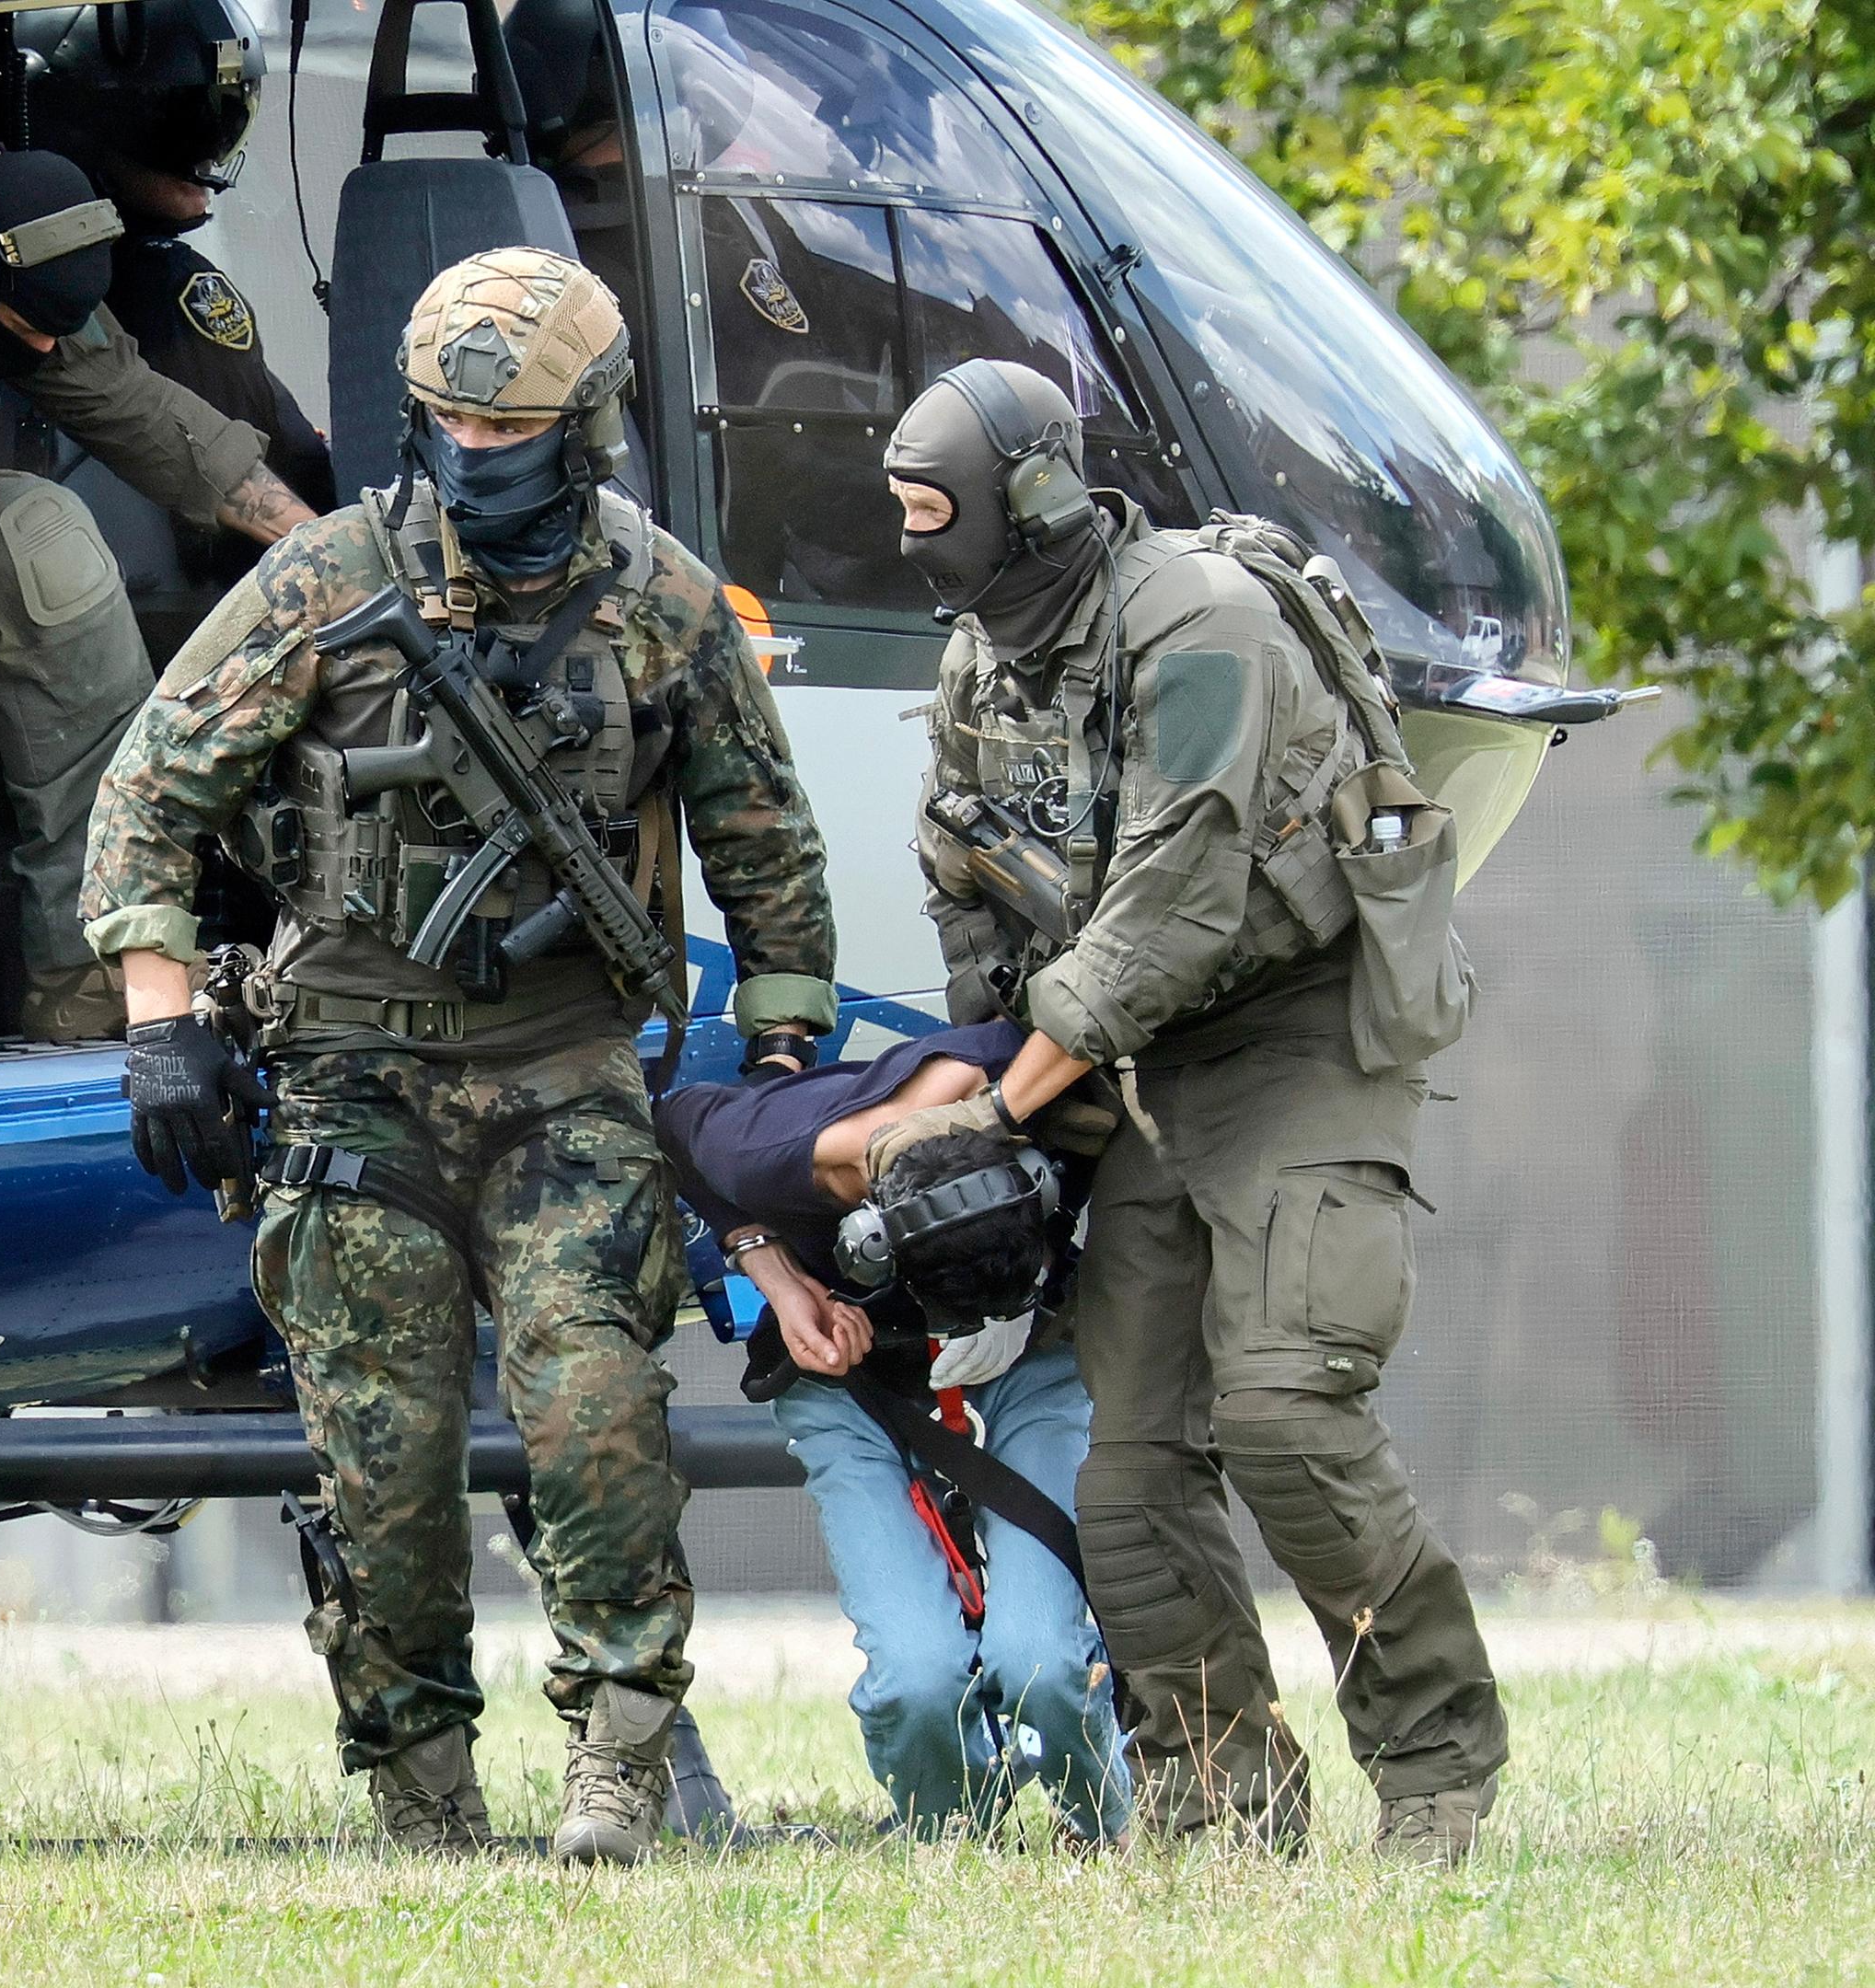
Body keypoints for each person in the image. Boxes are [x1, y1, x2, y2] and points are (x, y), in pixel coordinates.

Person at [79, 248, 836, 1863]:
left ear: (594, 426)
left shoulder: (661, 602)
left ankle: (621, 1762)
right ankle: (421, 1795)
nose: (482, 458)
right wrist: (158, 1026)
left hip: (568, 1072)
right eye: (451, 430)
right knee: (387, 1460)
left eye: (517, 433)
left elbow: (766, 846)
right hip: (356, 1074)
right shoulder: (322, 582)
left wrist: (782, 1054)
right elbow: (153, 788)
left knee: (596, 1414)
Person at [869, 357, 1504, 1863]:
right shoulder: (985, 662)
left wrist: (1003, 1113)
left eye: (933, 508)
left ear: (1023, 496)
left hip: (1298, 1034)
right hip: (1133, 1066)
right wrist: (973, 1106)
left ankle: (1433, 1766)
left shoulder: (1200, 625)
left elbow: (1178, 903)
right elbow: (972, 894)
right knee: (1133, 1462)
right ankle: (1216, 1791)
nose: (914, 539)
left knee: (1287, 1406)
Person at [0, 149, 322, 1041]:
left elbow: (140, 411)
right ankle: (92, 978)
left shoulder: (18, 263)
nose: (40, 354)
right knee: (45, 549)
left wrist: (329, 552)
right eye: (25, 329)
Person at [656, 1020, 1132, 1843]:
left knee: (1046, 1669)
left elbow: (1109, 1009)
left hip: (1031, 1363)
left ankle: (1106, 1828)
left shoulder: (1039, 1071)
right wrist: (773, 1267)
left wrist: (1021, 1306)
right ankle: (949, 1836)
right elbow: (667, 1125)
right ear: (871, 1243)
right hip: (854, 1381)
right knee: (917, 1681)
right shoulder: (764, 1145)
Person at [29, 0, 337, 588]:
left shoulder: (58, 280)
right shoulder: (173, 287)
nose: (206, 150)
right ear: (87, 129)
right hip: (247, 590)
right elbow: (274, 456)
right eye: (179, 126)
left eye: (222, 120)